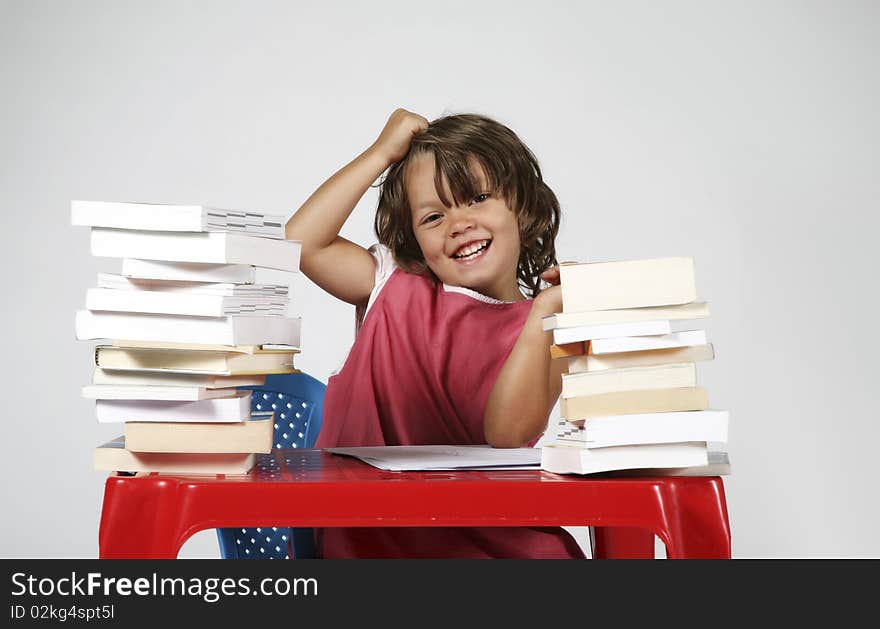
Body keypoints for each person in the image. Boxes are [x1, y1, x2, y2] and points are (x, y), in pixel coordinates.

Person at [286, 108, 585, 558]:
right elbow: (302, 243)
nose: (458, 223)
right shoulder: (390, 284)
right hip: (371, 545)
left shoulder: (549, 326)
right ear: (413, 237)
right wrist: (381, 154)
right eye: (432, 217)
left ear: (521, 206)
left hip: (489, 541)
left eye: (478, 198)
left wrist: (546, 311)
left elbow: (507, 434)